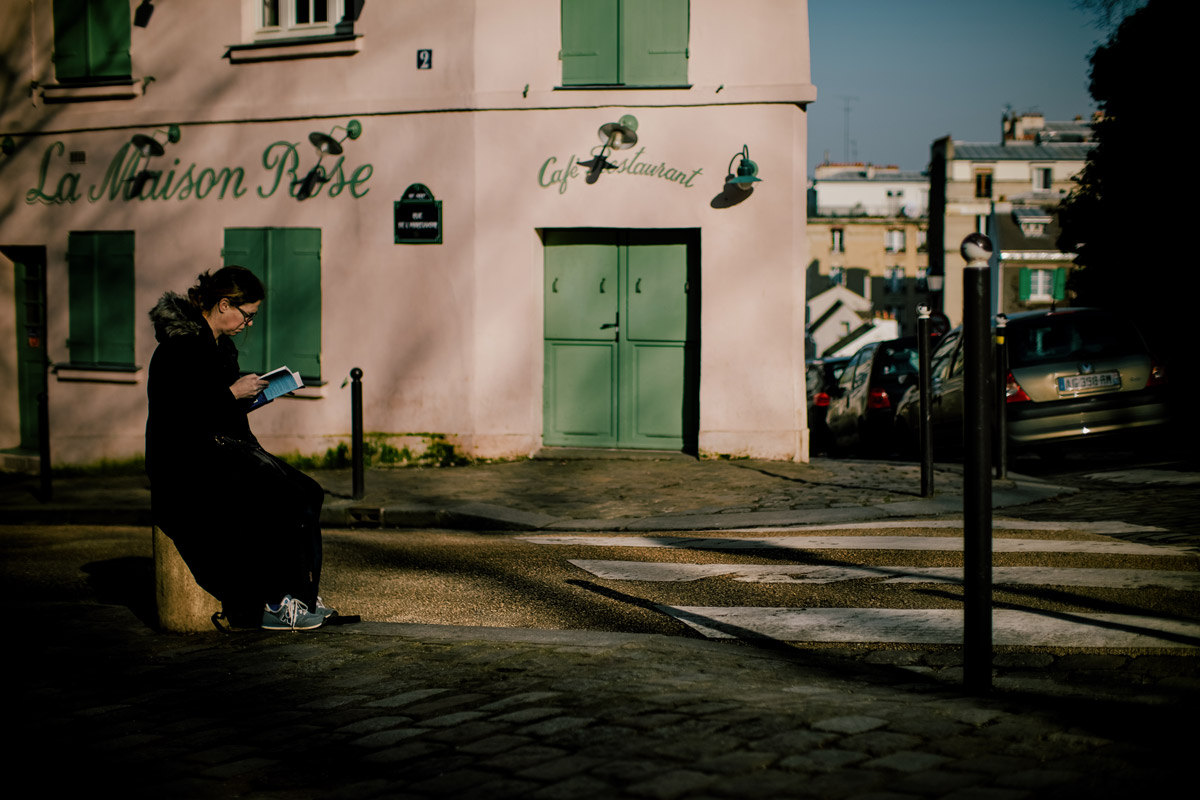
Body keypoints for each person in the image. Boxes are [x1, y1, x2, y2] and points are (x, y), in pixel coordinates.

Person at [146, 266, 331, 631]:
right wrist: (231, 393)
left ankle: (302, 596)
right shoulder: (178, 348)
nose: (248, 325)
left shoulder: (221, 347)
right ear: (224, 303)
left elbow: (220, 409)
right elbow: (178, 415)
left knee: (308, 491)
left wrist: (255, 395)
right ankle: (275, 602)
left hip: (224, 447)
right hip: (185, 459)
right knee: (276, 497)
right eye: (247, 316)